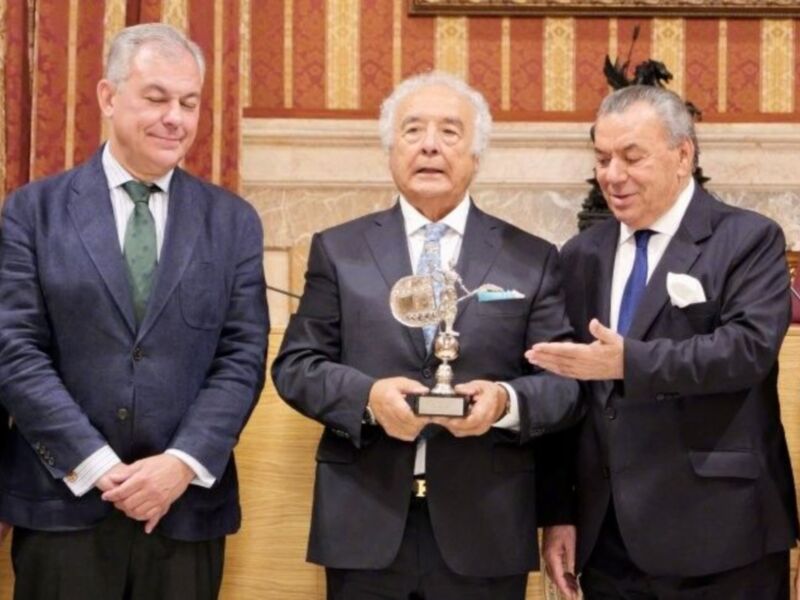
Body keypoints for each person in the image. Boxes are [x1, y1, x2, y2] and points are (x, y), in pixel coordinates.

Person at [271, 71, 582, 600]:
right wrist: (368, 398)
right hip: (364, 524)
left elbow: (565, 386)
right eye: (413, 131)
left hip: (485, 526)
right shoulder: (338, 251)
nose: (431, 145)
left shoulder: (531, 259)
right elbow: (296, 366)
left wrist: (504, 402)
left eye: (450, 132)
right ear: (391, 150)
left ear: (476, 156)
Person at [0, 23, 269, 599]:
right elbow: (15, 350)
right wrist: (95, 464)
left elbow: (242, 356)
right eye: (156, 98)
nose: (176, 117)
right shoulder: (32, 212)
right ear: (108, 96)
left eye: (189, 102)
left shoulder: (233, 222)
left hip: (185, 509)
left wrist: (180, 463)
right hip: (63, 504)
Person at [528, 84, 798, 599]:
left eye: (632, 157)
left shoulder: (748, 239)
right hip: (608, 540)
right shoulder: (581, 254)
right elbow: (570, 398)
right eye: (603, 158)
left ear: (682, 155)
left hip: (723, 534)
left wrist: (629, 361)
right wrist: (559, 514)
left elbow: (746, 351)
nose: (612, 175)